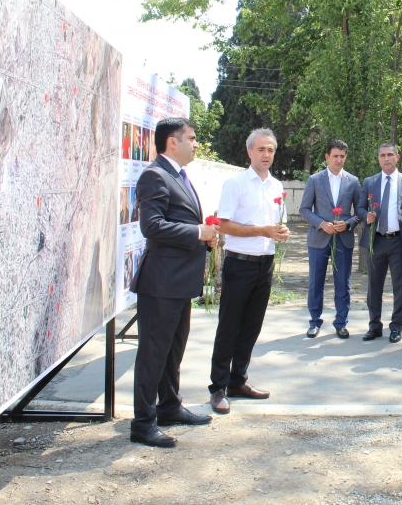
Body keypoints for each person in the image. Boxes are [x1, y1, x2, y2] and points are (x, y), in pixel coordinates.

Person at [128, 117, 218, 448]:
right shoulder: (154, 176)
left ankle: (168, 406)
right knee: (153, 353)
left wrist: (205, 237)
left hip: (180, 282)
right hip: (161, 283)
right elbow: (151, 227)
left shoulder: (178, 175)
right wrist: (197, 232)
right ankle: (142, 421)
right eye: (191, 138)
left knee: (172, 351)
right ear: (172, 142)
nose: (196, 144)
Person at [207, 129, 290, 415]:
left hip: (264, 264)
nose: (266, 155)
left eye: (270, 150)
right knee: (229, 326)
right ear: (249, 153)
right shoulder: (236, 184)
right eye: (261, 150)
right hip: (239, 263)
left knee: (251, 327)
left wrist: (281, 231)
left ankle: (237, 381)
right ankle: (217, 387)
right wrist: (262, 230)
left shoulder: (277, 186)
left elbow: (279, 222)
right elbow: (224, 225)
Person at [298, 139, 363, 338]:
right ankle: (314, 321)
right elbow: (304, 210)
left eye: (342, 156)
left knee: (343, 283)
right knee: (315, 282)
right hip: (319, 239)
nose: (339, 160)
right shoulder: (315, 180)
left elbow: (360, 211)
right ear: (327, 157)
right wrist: (321, 223)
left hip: (343, 239)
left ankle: (341, 322)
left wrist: (349, 223)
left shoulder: (353, 181)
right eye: (335, 156)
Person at [359, 144, 402, 343]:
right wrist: (366, 215)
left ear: (397, 157)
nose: (386, 159)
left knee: (400, 287)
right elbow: (359, 207)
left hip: (399, 241)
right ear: (378, 159)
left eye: (390, 155)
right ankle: (374, 326)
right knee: (373, 286)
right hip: (376, 241)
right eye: (382, 155)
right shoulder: (370, 182)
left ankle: (396, 326)